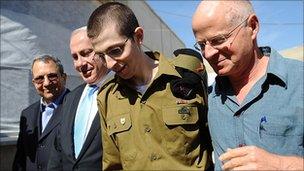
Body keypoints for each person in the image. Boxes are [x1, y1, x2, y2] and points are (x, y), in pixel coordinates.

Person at [87, 2, 212, 170]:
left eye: (116, 50)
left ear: (138, 37)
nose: (109, 64)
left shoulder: (187, 77)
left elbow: (214, 143)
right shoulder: (107, 97)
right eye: (101, 56)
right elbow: (113, 165)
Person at [192, 0, 304, 170]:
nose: (208, 54)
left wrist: (279, 164)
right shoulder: (208, 95)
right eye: (201, 45)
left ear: (252, 26)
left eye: (218, 40)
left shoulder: (299, 80)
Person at [47, 27, 111, 170]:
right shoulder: (70, 98)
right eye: (75, 57)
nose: (80, 64)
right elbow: (58, 150)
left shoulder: (122, 92)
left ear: (102, 50)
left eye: (86, 53)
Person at [13, 55, 69, 171]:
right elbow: (21, 158)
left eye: (52, 76)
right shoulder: (27, 114)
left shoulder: (76, 106)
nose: (47, 83)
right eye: (40, 79)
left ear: (64, 77)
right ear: (34, 82)